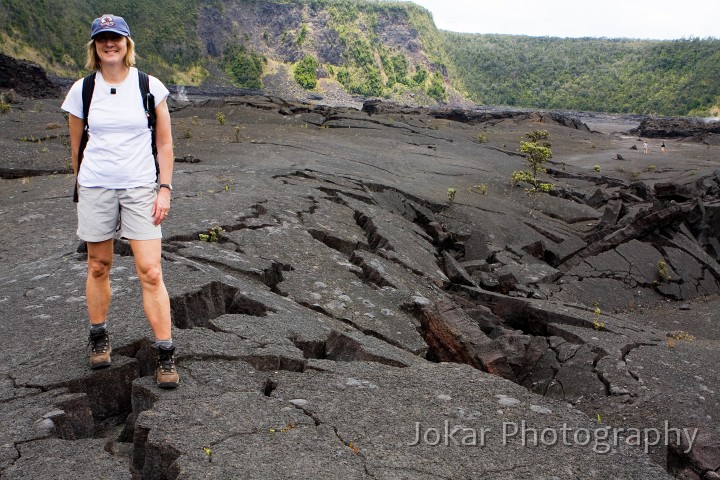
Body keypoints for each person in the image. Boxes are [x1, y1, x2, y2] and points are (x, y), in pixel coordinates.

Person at [61, 14, 178, 388]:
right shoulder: (82, 90)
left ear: (127, 43)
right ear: (94, 47)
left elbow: (164, 143)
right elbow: (77, 146)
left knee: (151, 270)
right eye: (103, 40)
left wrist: (164, 188)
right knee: (98, 264)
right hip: (96, 186)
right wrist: (80, 186)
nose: (110, 45)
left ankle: (166, 352)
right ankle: (98, 336)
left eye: (116, 38)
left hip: (141, 187)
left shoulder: (148, 86)